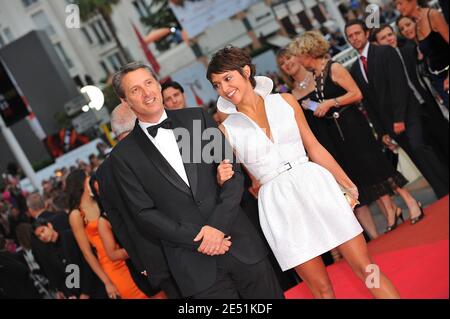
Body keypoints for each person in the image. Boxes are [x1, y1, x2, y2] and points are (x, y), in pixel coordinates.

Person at [207, 46, 400, 299]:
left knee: (368, 268)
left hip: (314, 184)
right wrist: (223, 176)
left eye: (227, 78)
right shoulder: (226, 130)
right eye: (216, 84)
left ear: (245, 71)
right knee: (321, 290)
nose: (223, 88)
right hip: (278, 204)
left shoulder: (284, 101)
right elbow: (240, 178)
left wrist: (345, 183)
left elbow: (314, 147)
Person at [109, 62, 284, 299]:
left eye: (148, 83)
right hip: (193, 265)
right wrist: (202, 238)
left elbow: (232, 173)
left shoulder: (196, 119)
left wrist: (217, 228)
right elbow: (145, 214)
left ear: (158, 83)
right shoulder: (123, 156)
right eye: (135, 90)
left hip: (240, 243)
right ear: (124, 101)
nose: (146, 92)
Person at [276, 47, 380, 240]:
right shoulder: (290, 95)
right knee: (338, 193)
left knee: (356, 185)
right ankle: (366, 238)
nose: (287, 63)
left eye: (289, 57)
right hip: (319, 147)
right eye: (282, 63)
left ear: (298, 57)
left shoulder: (320, 77)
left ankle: (375, 235)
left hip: (341, 137)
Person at [346, 19, 449, 200]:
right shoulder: (355, 69)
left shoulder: (385, 52)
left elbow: (399, 86)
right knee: (416, 157)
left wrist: (399, 119)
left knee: (420, 147)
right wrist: (381, 132)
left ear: (366, 33)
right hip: (389, 124)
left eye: (357, 33)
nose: (354, 38)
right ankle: (441, 191)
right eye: (350, 36)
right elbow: (368, 103)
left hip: (408, 114)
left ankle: (445, 186)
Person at [96, 103, 175, 298]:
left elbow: (118, 222)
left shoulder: (103, 172)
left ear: (115, 132)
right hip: (182, 242)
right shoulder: (150, 148)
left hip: (151, 257)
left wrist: (141, 262)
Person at [66, 169, 149, 299]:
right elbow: (87, 252)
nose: (92, 179)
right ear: (80, 184)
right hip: (111, 265)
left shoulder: (100, 201)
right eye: (88, 177)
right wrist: (107, 282)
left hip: (126, 254)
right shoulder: (76, 215)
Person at [373, 23, 449, 164]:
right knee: (431, 152)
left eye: (390, 34)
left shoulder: (408, 50)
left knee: (444, 138)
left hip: (428, 103)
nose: (389, 39)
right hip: (410, 114)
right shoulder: (381, 66)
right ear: (377, 44)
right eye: (383, 38)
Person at [395, 0, 449, 107]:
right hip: (439, 80)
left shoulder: (432, 15)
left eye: (400, 3)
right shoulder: (416, 24)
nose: (398, 8)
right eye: (396, 5)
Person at [32, 216, 95, 299]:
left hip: (94, 285)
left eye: (43, 231)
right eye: (39, 236)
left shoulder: (70, 236)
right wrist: (71, 294)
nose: (42, 236)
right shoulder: (47, 252)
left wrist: (85, 292)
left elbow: (87, 261)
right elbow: (60, 276)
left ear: (49, 226)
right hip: (76, 294)